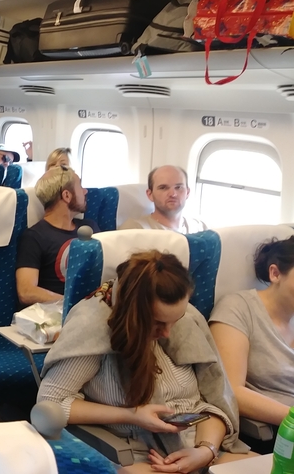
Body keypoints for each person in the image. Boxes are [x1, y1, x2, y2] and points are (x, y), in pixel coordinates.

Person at [38, 251, 251, 473]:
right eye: (157, 323)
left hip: (199, 445)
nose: (168, 333)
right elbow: (50, 404)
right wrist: (132, 415)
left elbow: (213, 402)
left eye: (175, 320)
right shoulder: (93, 330)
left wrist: (206, 451)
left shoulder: (187, 319)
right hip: (139, 454)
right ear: (133, 314)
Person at [210, 236, 294, 429]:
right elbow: (231, 391)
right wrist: (291, 420)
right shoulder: (238, 308)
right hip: (277, 431)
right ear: (275, 273)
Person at [16, 165, 99, 307]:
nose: (85, 191)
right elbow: (26, 291)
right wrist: (73, 304)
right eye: (80, 187)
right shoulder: (34, 237)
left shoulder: (90, 227)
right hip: (58, 315)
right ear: (67, 195)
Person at [118, 165, 207, 234]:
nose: (173, 194)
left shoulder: (200, 227)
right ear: (150, 195)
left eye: (178, 187)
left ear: (187, 193)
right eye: (163, 188)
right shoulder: (134, 229)